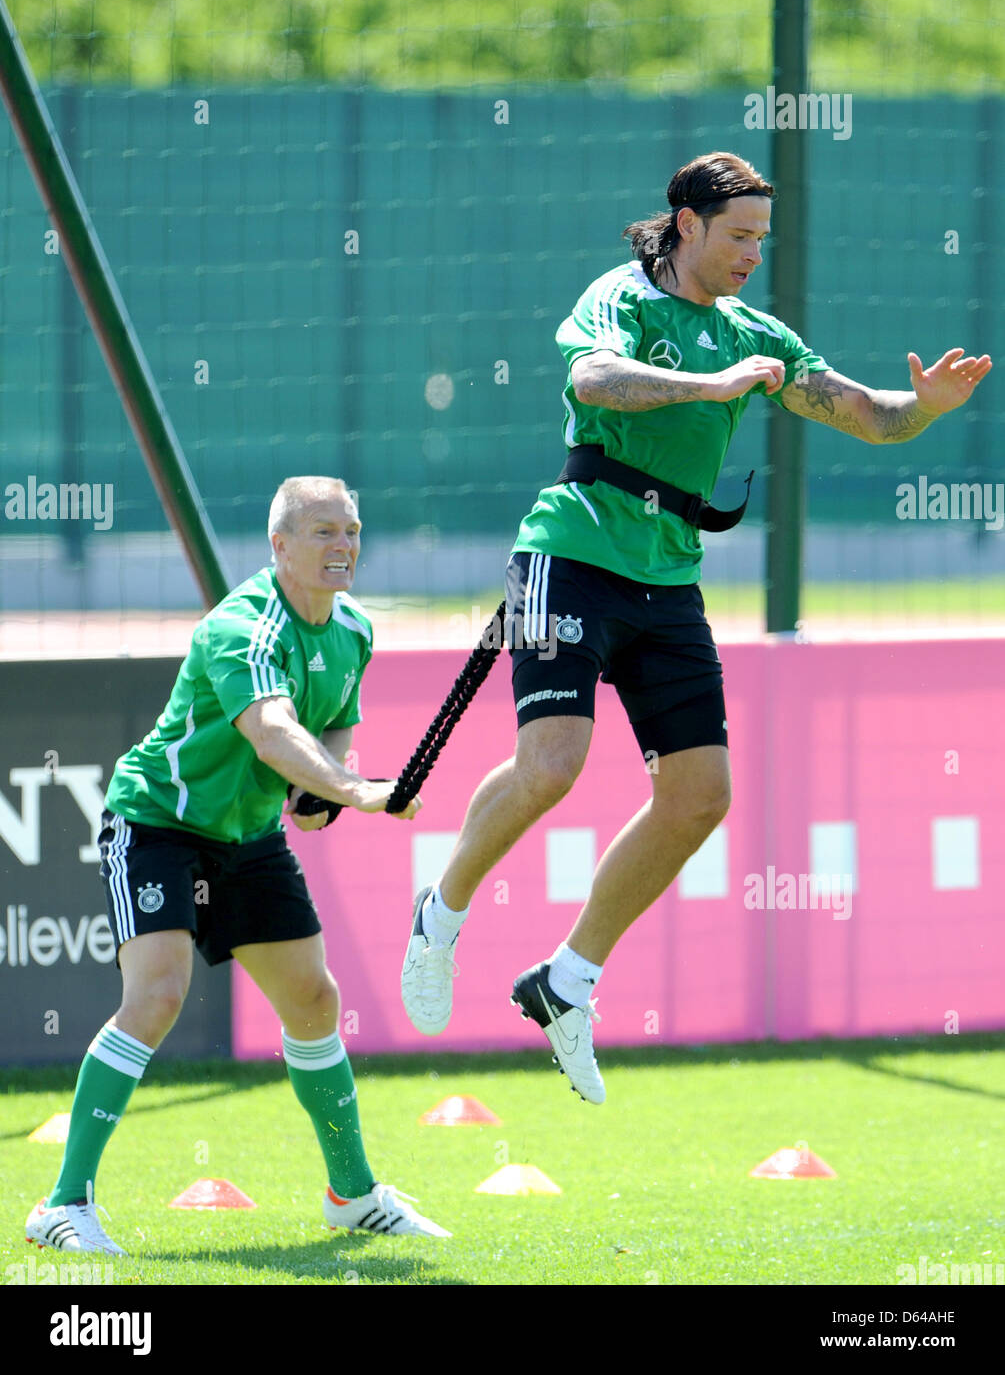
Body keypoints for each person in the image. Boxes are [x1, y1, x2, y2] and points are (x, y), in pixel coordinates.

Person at [400, 150, 992, 1103]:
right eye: (739, 236)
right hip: (572, 556)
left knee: (700, 796)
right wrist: (711, 389)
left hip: (667, 580)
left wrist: (921, 409)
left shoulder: (758, 333)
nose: (753, 254)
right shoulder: (621, 299)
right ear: (686, 226)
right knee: (552, 765)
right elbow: (594, 381)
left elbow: (866, 415)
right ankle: (442, 909)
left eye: (764, 237)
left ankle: (566, 983)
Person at [26, 475, 450, 1254]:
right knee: (156, 996)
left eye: (350, 530)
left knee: (315, 1001)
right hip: (157, 822)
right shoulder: (242, 627)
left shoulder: (352, 629)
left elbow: (328, 732)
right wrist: (354, 791)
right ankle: (62, 1206)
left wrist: (321, 787)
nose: (343, 546)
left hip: (249, 835)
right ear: (279, 545)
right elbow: (272, 730)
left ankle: (350, 1195)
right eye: (322, 532)